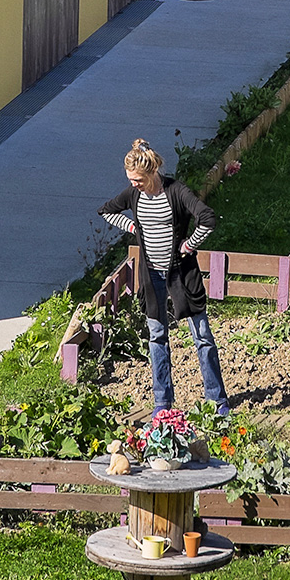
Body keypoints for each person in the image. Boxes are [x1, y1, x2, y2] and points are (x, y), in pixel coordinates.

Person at [99, 139, 229, 416]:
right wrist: (133, 225)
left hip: (181, 273)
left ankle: (217, 401)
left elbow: (207, 218)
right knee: (157, 336)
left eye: (137, 180)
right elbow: (107, 210)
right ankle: (162, 404)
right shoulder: (134, 196)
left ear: (151, 173)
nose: (133, 184)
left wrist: (189, 245)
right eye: (130, 180)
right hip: (152, 275)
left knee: (202, 335)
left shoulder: (176, 192)